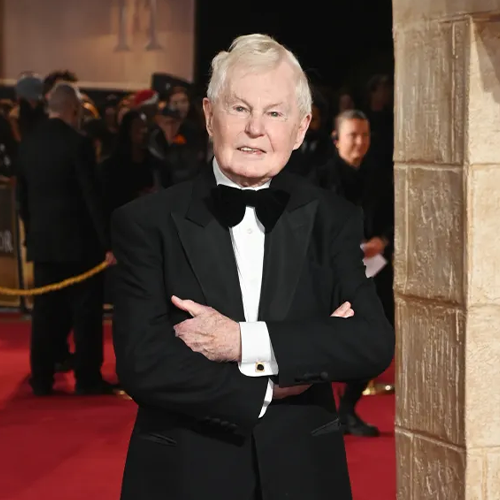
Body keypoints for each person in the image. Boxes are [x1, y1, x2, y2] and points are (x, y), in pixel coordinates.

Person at [111, 34, 394, 500]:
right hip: (186, 475)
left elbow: (370, 342)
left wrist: (242, 341)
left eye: (275, 113)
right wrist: (272, 385)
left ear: (301, 128)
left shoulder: (333, 219)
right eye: (239, 108)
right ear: (209, 115)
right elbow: (144, 362)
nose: (255, 129)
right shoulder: (146, 222)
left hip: (305, 474)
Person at [16, 82, 116, 395]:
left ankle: (41, 378)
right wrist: (107, 244)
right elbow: (91, 197)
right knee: (86, 314)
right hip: (79, 245)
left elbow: (21, 199)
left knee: (44, 314)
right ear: (73, 109)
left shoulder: (28, 143)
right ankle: (87, 378)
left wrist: (32, 233)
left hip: (43, 244)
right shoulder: (78, 144)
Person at [314, 110, 395, 437]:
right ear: (336, 140)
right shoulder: (319, 178)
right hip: (330, 273)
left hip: (374, 270)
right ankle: (322, 411)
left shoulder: (380, 176)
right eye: (352, 135)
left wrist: (383, 240)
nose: (360, 142)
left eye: (365, 135)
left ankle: (347, 408)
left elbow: (395, 216)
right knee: (326, 340)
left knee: (377, 338)